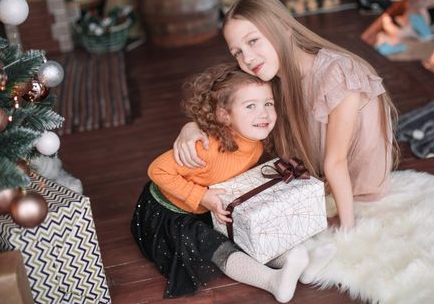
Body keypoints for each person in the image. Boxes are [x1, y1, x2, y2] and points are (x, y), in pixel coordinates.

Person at [173, 0, 399, 231]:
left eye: (252, 41)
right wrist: (191, 127)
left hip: (355, 192)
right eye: (237, 52)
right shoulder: (268, 78)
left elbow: (336, 161)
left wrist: (346, 227)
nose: (247, 58)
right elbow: (222, 107)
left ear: (284, 29)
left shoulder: (338, 73)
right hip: (314, 182)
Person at [131, 64, 333, 302]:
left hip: (213, 202)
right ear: (224, 115)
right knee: (215, 244)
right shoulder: (204, 147)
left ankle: (299, 263)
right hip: (172, 213)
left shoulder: (255, 142)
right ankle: (271, 281)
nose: (264, 113)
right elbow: (158, 170)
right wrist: (201, 196)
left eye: (268, 103)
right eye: (250, 106)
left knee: (246, 227)